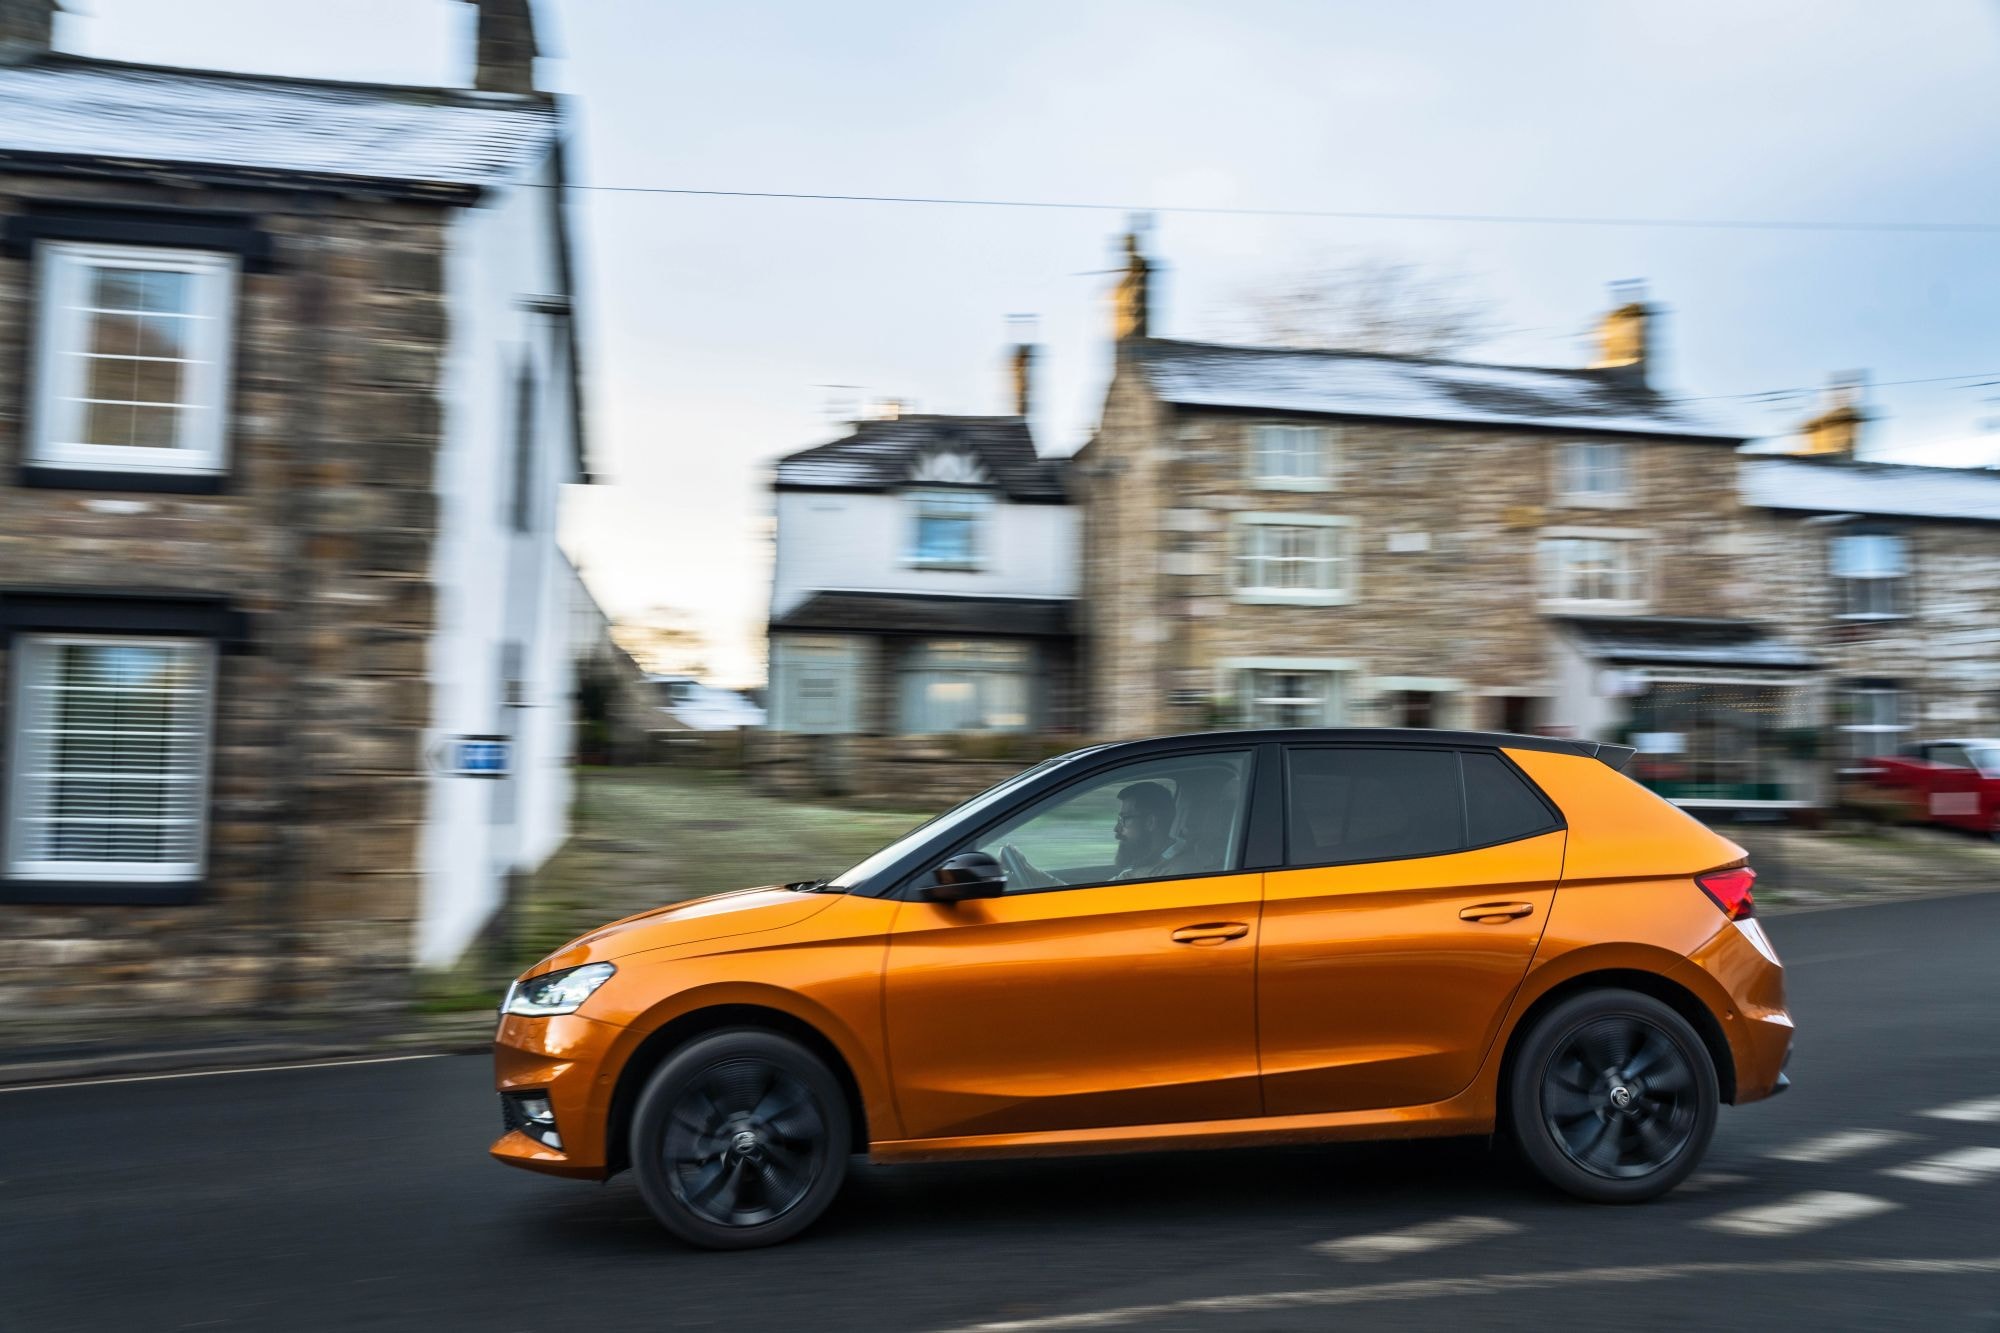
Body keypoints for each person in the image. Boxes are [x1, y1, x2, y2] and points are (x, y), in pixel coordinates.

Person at [1110, 781, 1178, 879]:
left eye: (1125, 819)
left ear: (1150, 822)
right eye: (1119, 819)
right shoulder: (1148, 861)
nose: (1116, 830)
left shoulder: (1175, 873)